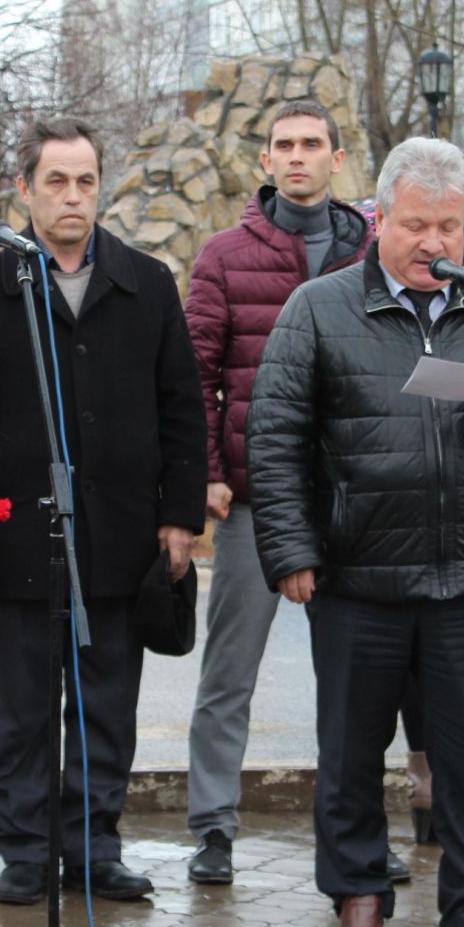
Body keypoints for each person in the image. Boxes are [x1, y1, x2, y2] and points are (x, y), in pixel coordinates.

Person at [248, 137, 464, 927]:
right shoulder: (320, 308)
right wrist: (291, 548)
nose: (435, 244)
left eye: (449, 226)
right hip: (359, 576)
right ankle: (359, 901)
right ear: (380, 220)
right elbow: (276, 437)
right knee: (351, 753)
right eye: (417, 225)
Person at [0, 117, 207, 906]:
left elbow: (182, 407)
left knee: (105, 704)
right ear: (25, 190)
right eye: (57, 181)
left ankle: (93, 844)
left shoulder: (146, 282)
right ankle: (24, 849)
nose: (73, 197)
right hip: (14, 536)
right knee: (22, 708)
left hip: (120, 538)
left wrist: (179, 516)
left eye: (86, 180)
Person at [182, 99, 372, 884]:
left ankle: (354, 829)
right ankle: (214, 826)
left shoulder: (372, 255)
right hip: (255, 501)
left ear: (336, 157)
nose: (298, 157)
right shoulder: (225, 256)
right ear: (266, 160)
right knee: (229, 671)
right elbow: (192, 373)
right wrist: (208, 473)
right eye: (283, 144)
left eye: (312, 144)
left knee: (358, 680)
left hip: (352, 500)